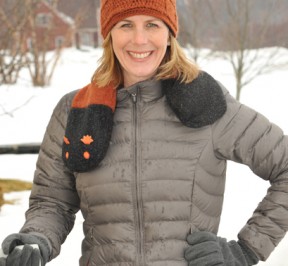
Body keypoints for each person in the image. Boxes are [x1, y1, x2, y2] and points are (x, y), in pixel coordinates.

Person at [1, 0, 288, 265]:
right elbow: (52, 202)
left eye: (152, 24)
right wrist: (37, 239)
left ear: (169, 34)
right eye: (126, 24)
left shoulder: (206, 103)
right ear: (109, 33)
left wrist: (245, 250)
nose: (139, 39)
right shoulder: (76, 109)